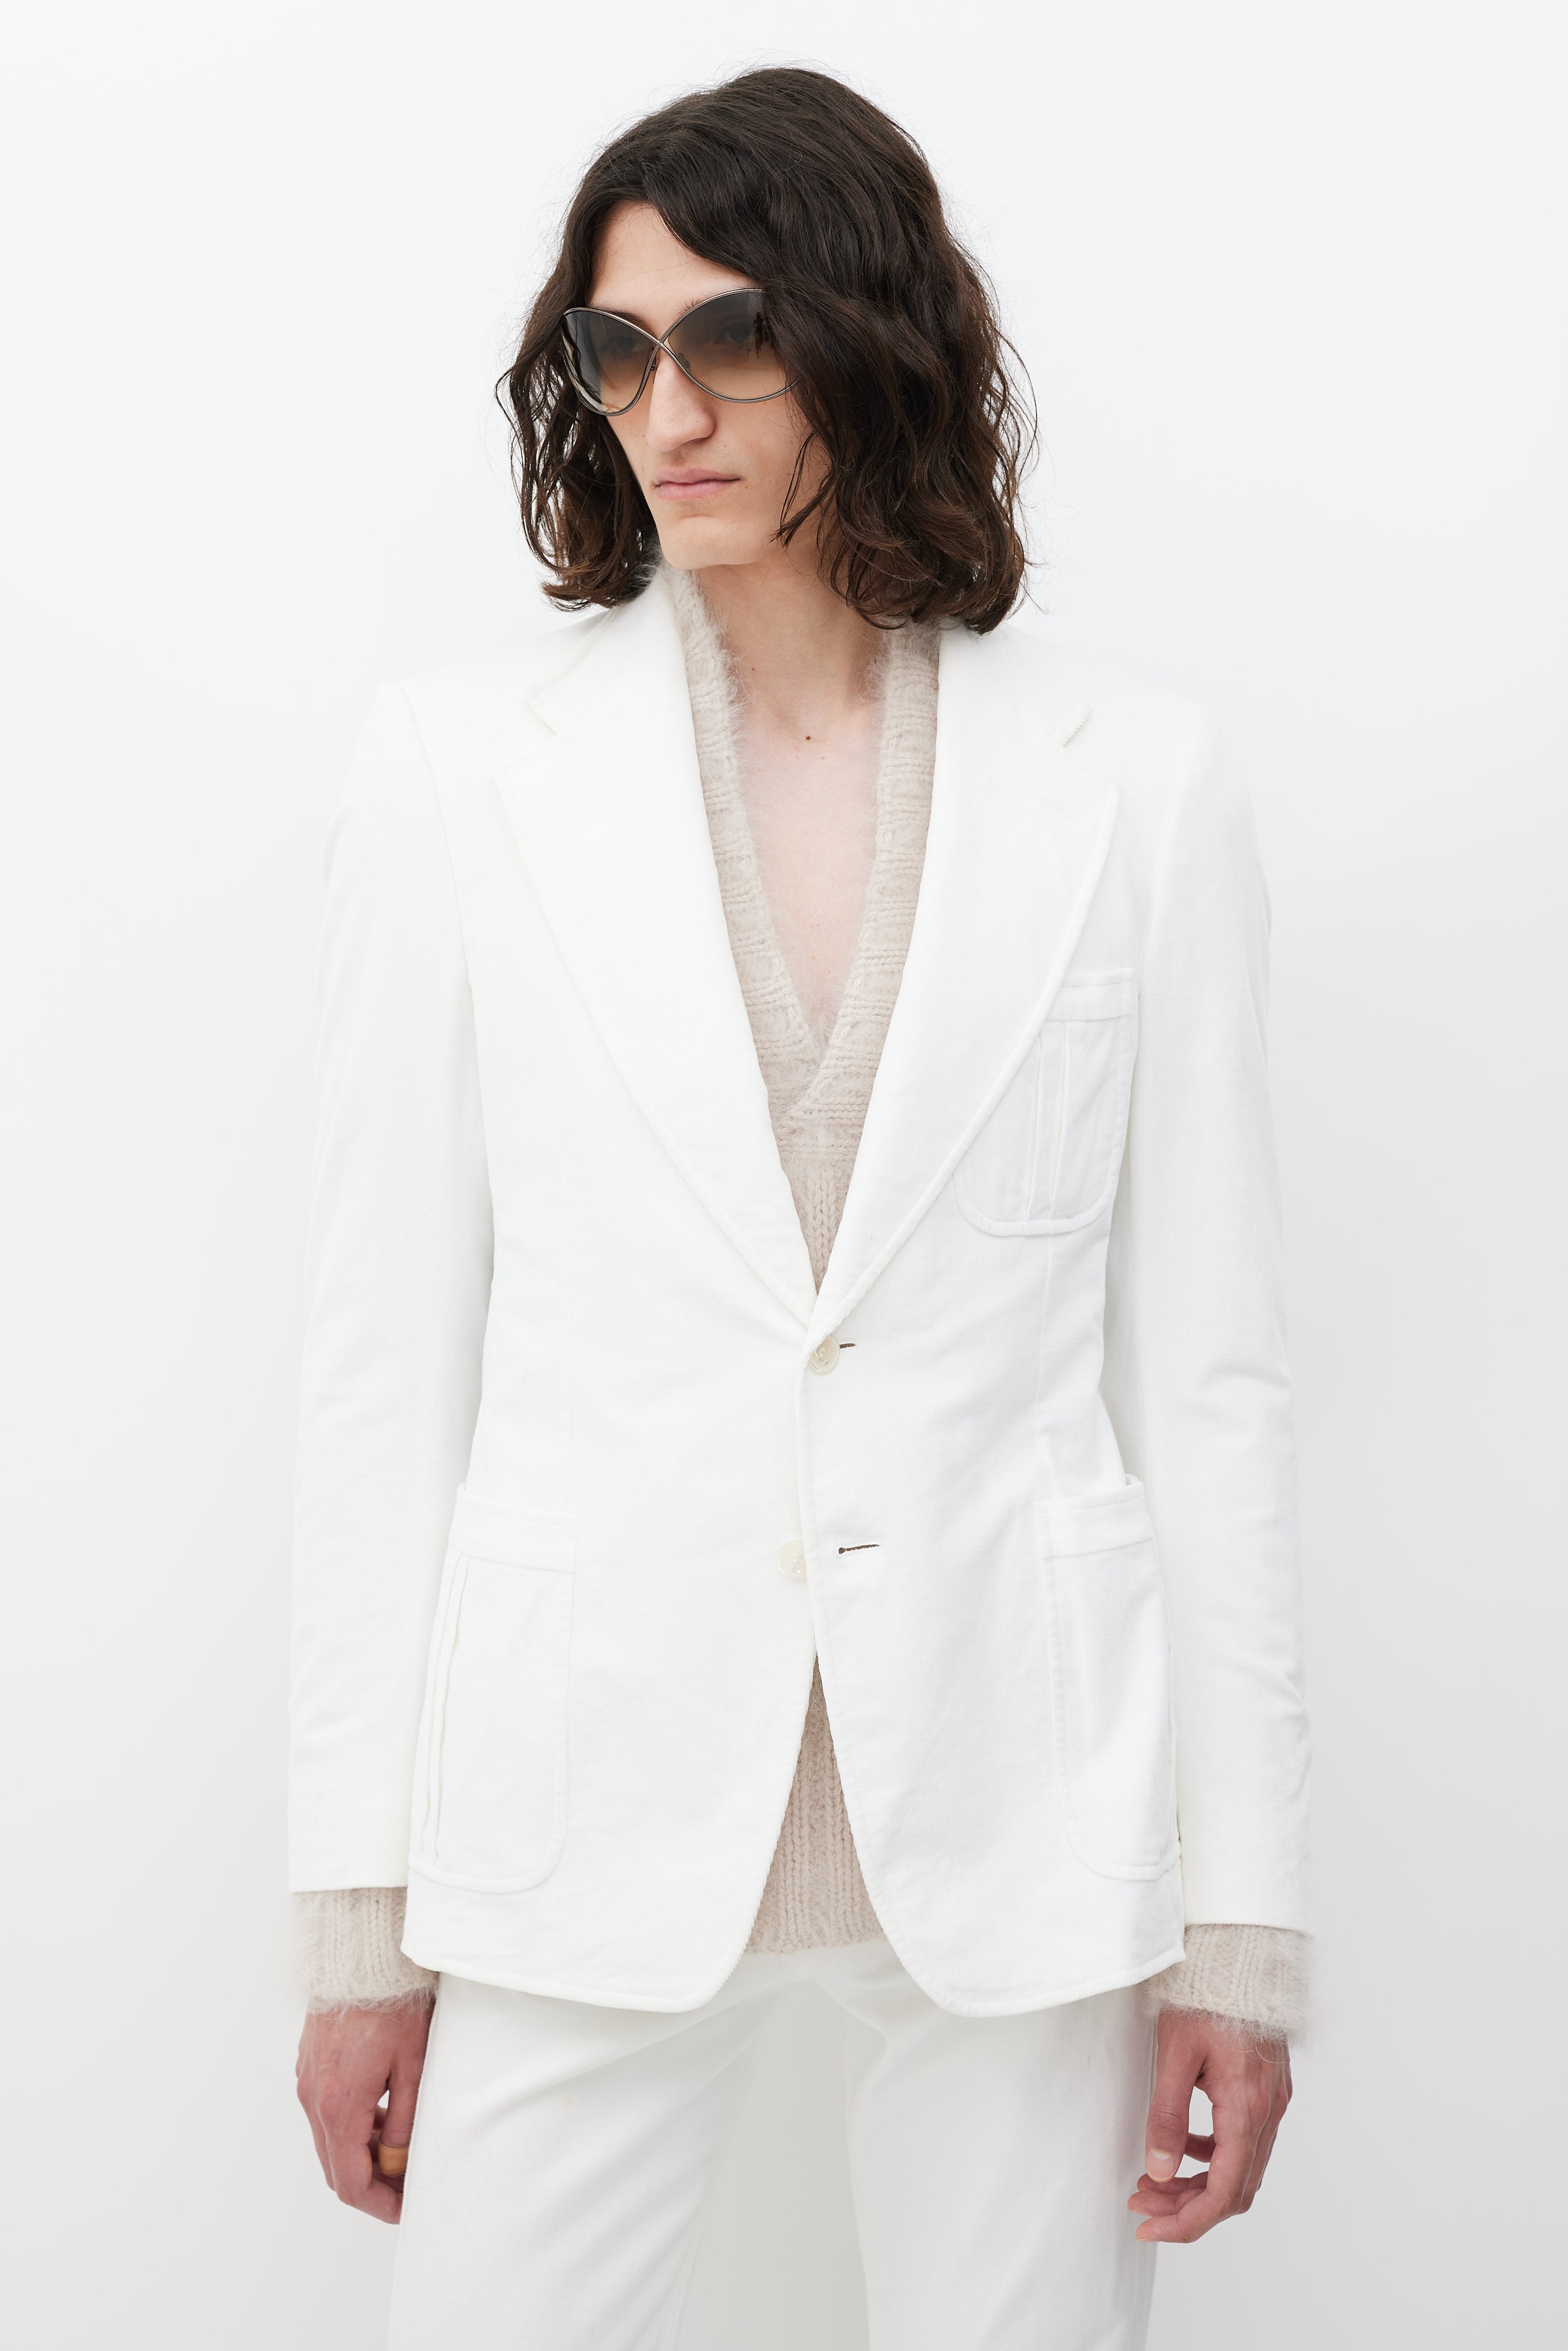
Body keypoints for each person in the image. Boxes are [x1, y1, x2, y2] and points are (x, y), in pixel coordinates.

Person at [290, 65, 1311, 2350]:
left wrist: (1242, 1934)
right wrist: (356, 1916)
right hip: (580, 1803)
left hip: (1024, 1812)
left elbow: (1212, 1378)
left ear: (871, 336)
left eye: (732, 337)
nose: (668, 410)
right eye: (615, 349)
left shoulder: (1137, 781)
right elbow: (383, 1365)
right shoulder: (459, 772)